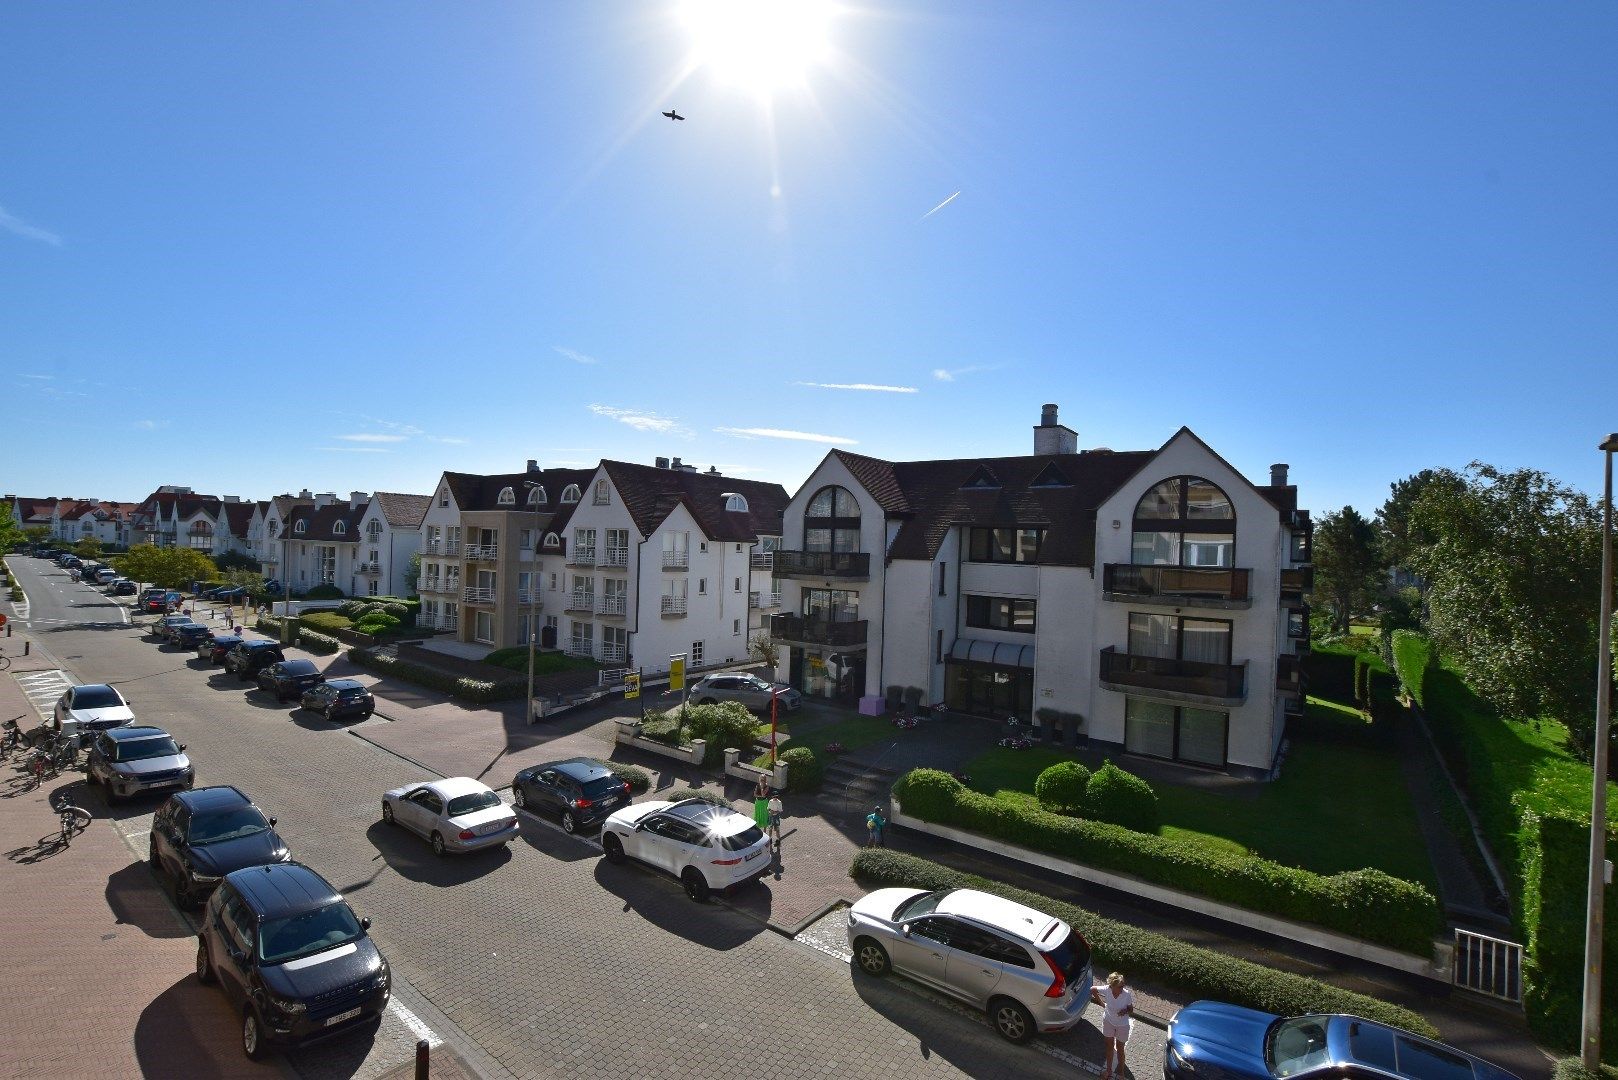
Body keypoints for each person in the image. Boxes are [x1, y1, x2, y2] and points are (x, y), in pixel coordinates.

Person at [1092, 971, 1133, 1078]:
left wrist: (1124, 1011)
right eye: (1120, 986)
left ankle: (1121, 1072)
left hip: (1122, 1025)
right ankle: (1109, 1071)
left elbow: (1131, 1009)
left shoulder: (1126, 994)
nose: (1122, 988)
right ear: (1112, 986)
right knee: (1109, 1046)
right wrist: (1101, 1003)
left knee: (1120, 1049)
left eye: (1123, 985)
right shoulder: (1107, 989)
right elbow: (1092, 989)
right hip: (1108, 1021)